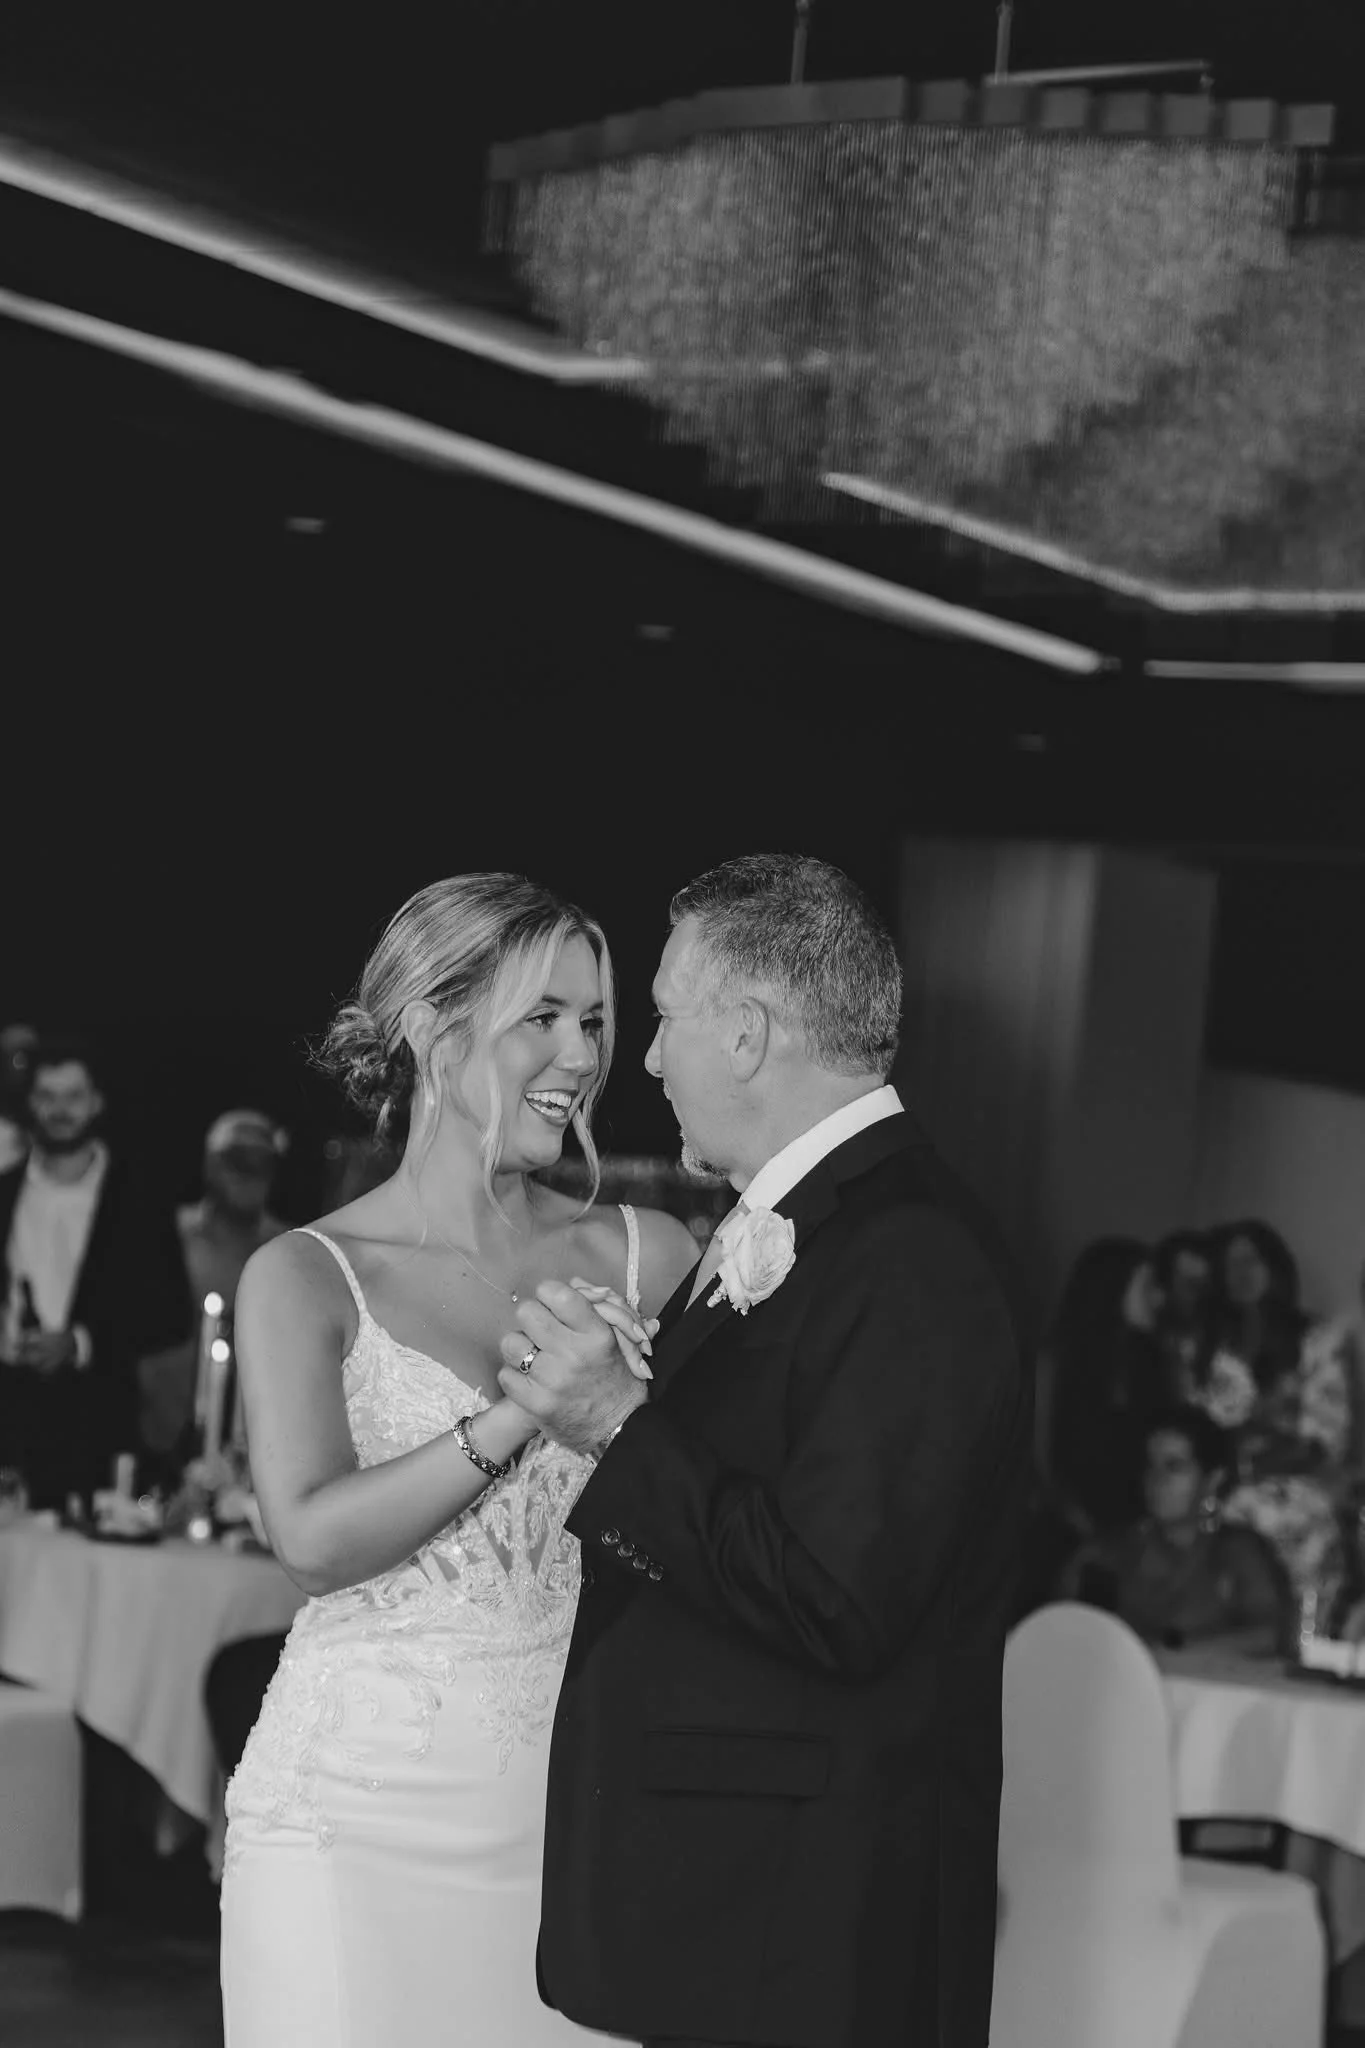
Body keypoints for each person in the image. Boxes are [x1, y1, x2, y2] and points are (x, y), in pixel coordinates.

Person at [498, 854, 1030, 2048]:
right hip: (736, 1911)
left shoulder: (915, 1257)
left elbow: (838, 1598)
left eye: (665, 1018)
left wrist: (618, 1423)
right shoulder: (803, 1225)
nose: (645, 1059)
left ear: (745, 1033)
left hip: (805, 1933)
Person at [219, 873, 698, 2047]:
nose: (582, 1054)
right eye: (545, 1016)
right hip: (353, 1825)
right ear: (437, 1031)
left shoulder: (652, 1255)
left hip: (577, 1824)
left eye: (595, 1020)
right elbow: (311, 1538)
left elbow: (703, 1522)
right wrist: (520, 1412)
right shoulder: (308, 1273)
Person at [0, 1037, 191, 1505]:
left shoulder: (139, 1199)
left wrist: (80, 1342)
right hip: (8, 1419)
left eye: (73, 1096)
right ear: (30, 1103)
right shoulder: (4, 1191)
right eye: (46, 1096)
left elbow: (172, 1314)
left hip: (96, 1428)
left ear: (97, 1102)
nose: (59, 1110)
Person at [1059, 1403, 1289, 1653]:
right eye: (1151, 1465)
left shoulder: (1237, 1552)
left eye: (1174, 1467)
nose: (1157, 1480)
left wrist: (1171, 1653)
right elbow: (1063, 1634)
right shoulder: (1104, 1556)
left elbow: (1269, 1634)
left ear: (1212, 1480)